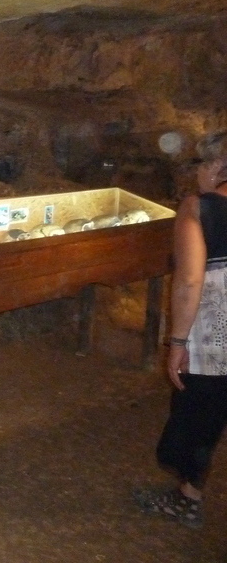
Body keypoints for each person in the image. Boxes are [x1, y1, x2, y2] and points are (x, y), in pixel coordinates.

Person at [134, 131, 227, 528]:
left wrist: (176, 342)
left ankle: (187, 498)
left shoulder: (199, 208)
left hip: (215, 339)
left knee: (199, 415)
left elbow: (190, 281)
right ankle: (188, 497)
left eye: (201, 166)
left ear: (216, 166)